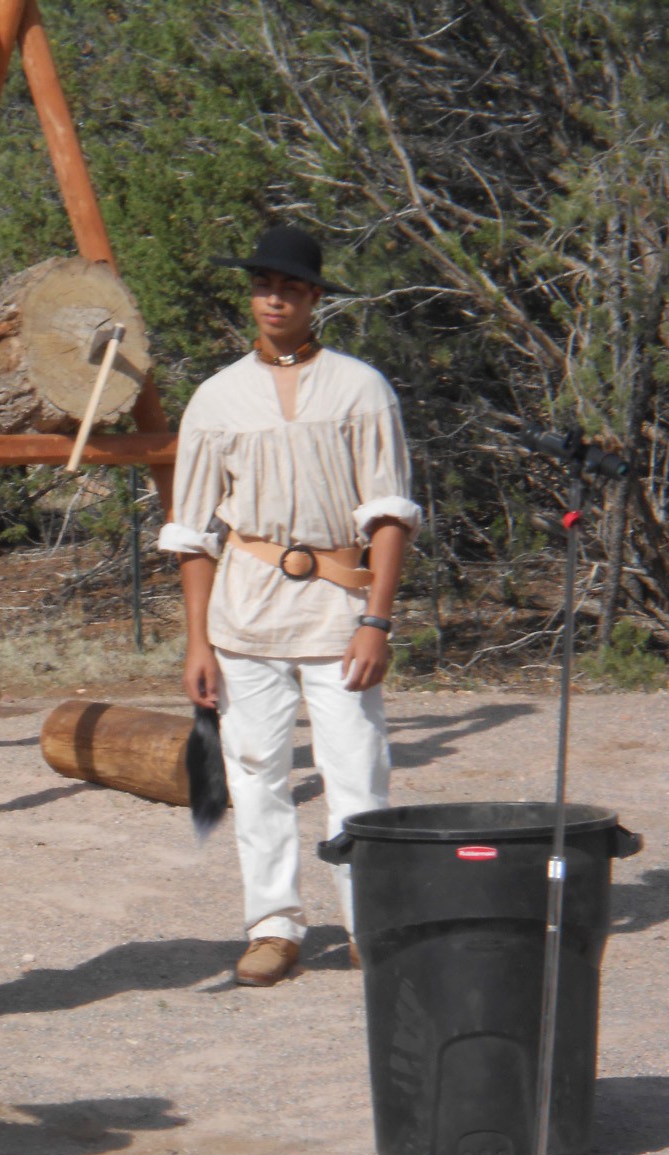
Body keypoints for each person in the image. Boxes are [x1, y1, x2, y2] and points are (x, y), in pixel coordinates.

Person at [161, 226, 422, 987]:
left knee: (357, 772)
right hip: (246, 614)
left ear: (313, 296)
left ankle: (370, 923)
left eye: (289, 287)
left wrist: (377, 620)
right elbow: (193, 532)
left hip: (340, 612)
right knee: (255, 774)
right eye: (262, 286)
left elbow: (390, 513)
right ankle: (273, 925)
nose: (274, 299)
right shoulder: (217, 398)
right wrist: (198, 641)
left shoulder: (360, 389)